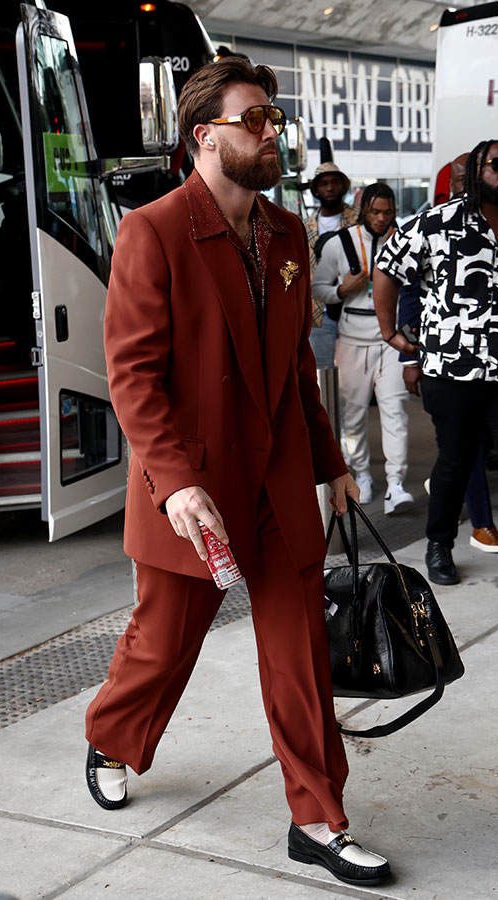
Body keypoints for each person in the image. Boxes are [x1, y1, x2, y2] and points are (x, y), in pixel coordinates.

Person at [83, 58, 391, 888]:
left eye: (274, 119)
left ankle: (318, 818)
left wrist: (330, 465)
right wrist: (178, 482)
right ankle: (112, 736)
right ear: (204, 136)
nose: (270, 133)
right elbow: (134, 376)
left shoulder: (288, 235)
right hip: (195, 493)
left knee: (299, 658)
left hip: (282, 483)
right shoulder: (152, 231)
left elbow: (296, 369)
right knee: (163, 645)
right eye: (253, 119)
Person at [373, 138, 498, 610]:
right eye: (496, 165)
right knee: (456, 461)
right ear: (478, 172)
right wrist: (392, 335)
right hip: (451, 371)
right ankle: (439, 544)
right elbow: (387, 269)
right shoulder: (436, 223)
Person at [400, 152, 498, 553]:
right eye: (461, 179)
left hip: (492, 364)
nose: (467, 186)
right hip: (442, 362)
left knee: (467, 448)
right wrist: (409, 357)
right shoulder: (432, 226)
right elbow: (407, 294)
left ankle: (448, 485)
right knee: (466, 447)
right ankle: (479, 524)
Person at [312, 183, 413, 513]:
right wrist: (344, 289)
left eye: (388, 212)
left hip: (392, 339)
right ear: (363, 210)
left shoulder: (405, 240)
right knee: (352, 415)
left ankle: (396, 484)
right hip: (353, 337)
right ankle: (362, 475)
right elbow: (318, 288)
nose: (382, 219)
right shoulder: (340, 243)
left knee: (395, 412)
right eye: (376, 212)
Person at [305, 163, 359, 366]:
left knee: (356, 373)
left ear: (344, 186)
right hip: (320, 311)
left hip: (355, 306)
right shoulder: (306, 225)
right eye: (324, 184)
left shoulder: (359, 219)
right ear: (316, 190)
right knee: (322, 371)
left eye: (335, 182)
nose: (329, 188)